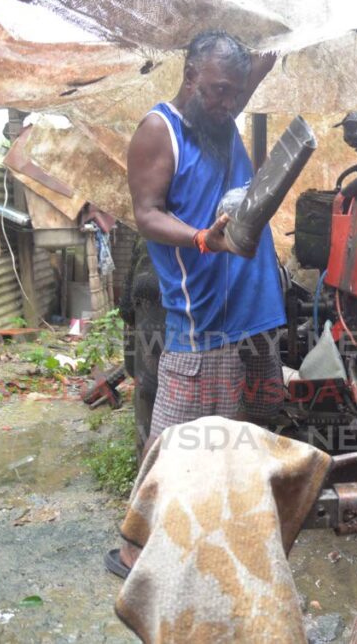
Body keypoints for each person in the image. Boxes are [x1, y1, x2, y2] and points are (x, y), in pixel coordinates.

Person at [105, 30, 284, 578]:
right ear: (190, 79)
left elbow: (250, 74)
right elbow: (147, 214)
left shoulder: (220, 114)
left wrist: (276, 37)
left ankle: (227, 524)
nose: (229, 103)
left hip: (255, 309)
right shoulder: (160, 131)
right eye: (219, 91)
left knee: (256, 423)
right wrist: (203, 238)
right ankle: (137, 549)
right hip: (203, 318)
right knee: (179, 444)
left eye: (235, 92)